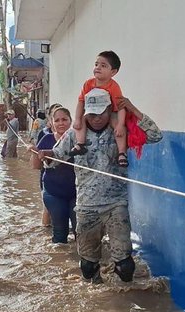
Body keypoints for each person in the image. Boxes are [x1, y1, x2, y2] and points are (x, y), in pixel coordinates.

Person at [38, 89, 161, 283]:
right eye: (92, 114)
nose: (96, 118)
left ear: (110, 110)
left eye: (101, 113)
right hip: (87, 206)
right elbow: (56, 157)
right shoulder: (74, 133)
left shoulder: (120, 129)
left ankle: (123, 303)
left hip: (116, 204)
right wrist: (46, 155)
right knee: (87, 266)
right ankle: (97, 297)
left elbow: (155, 136)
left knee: (125, 265)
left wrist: (132, 108)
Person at [28, 106, 76, 243]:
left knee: (81, 231)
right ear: (52, 123)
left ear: (70, 121)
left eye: (64, 119)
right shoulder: (47, 139)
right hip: (53, 192)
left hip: (77, 193)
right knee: (60, 234)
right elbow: (36, 166)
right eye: (57, 120)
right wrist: (35, 152)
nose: (61, 123)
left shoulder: (79, 139)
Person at [72, 51, 128, 167]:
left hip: (110, 112)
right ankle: (80, 144)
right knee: (79, 122)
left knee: (118, 127)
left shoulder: (114, 87)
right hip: (90, 111)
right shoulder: (88, 84)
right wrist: (77, 118)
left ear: (113, 72)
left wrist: (121, 124)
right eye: (96, 64)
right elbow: (81, 101)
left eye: (103, 66)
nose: (98, 68)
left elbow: (121, 106)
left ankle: (122, 152)